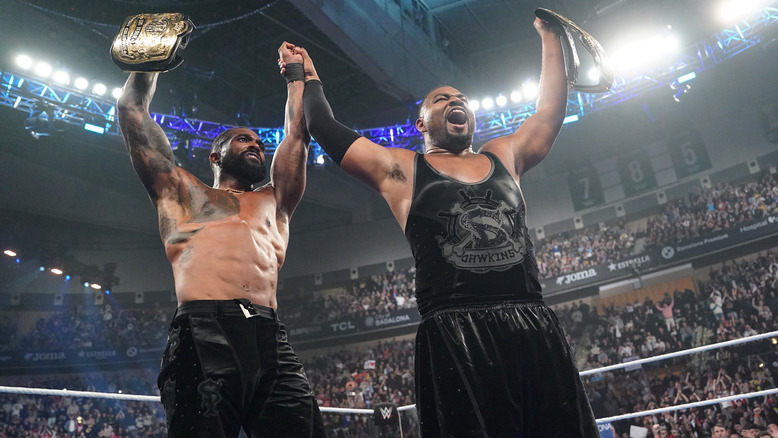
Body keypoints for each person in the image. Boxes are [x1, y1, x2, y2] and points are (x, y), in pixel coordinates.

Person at [285, 13, 600, 438]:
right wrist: (309, 77)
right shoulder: (402, 168)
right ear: (420, 124)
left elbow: (548, 113)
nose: (455, 100)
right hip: (455, 329)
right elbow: (325, 127)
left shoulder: (502, 155)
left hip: (530, 318)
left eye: (461, 97)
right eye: (441, 98)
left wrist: (550, 38)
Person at [116, 42, 326, 438]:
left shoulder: (275, 199)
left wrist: (297, 75)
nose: (256, 146)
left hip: (268, 335)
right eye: (243, 140)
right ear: (215, 156)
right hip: (202, 332)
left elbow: (297, 134)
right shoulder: (181, 192)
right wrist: (149, 64)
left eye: (259, 143)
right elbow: (132, 115)